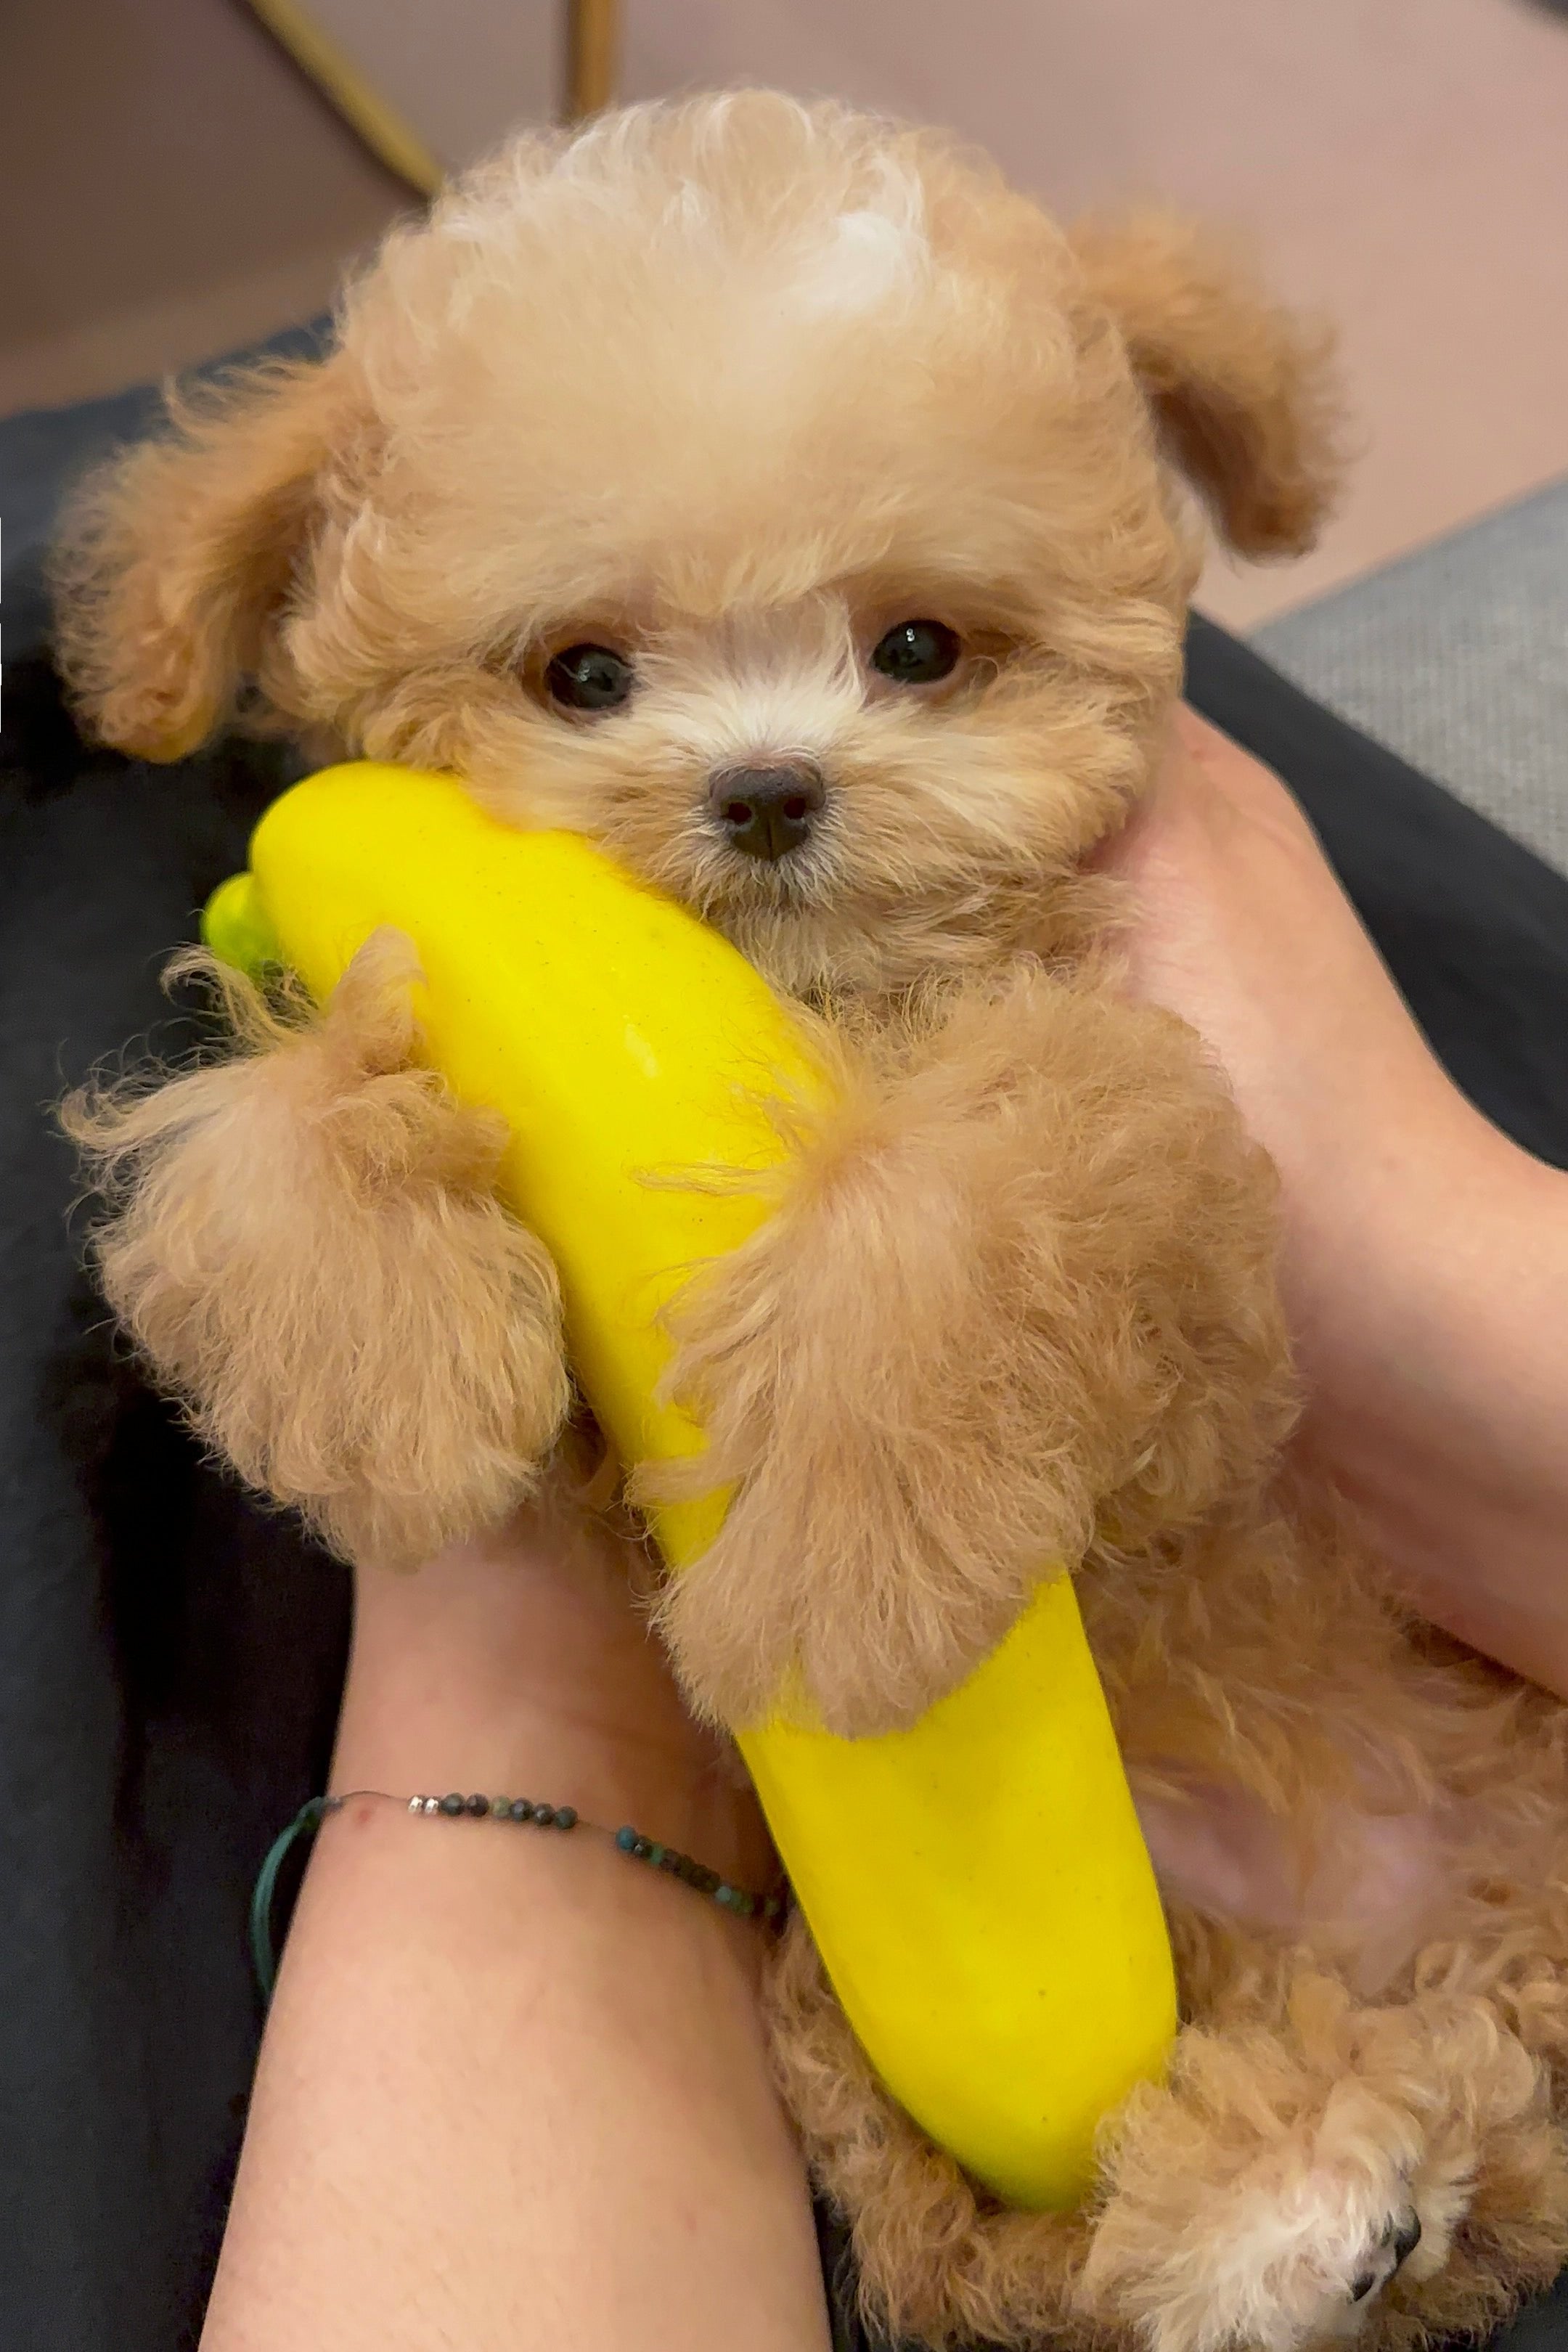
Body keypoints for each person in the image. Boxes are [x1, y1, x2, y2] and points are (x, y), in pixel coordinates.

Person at [4, 611, 1568, 2352]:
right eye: (589, 674)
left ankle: (1421, 1329)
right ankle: (1269, 2155)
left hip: (1343, 1661)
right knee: (936, 2066)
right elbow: (364, 1413)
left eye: (909, 645)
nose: (768, 759)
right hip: (1004, 1894)